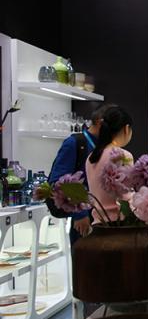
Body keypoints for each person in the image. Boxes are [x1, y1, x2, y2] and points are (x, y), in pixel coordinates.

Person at [46, 104, 111, 244]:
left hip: (105, 216)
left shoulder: (106, 147)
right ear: (100, 122)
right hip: (85, 219)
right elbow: (59, 182)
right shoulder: (75, 143)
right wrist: (79, 213)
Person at [85, 106, 134, 224]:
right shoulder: (123, 155)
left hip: (98, 223)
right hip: (119, 224)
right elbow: (127, 195)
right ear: (126, 129)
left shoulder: (91, 157)